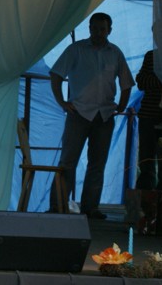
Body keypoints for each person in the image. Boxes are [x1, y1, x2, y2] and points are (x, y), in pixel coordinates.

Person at [49, 12, 134, 219]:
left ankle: (90, 208)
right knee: (68, 162)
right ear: (89, 29)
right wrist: (62, 102)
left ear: (109, 30)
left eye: (102, 29)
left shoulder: (115, 52)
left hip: (104, 115)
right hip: (78, 112)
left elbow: (126, 82)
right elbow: (56, 74)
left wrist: (122, 106)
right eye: (94, 28)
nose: (98, 32)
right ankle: (58, 206)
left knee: (97, 164)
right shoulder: (76, 49)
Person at [134, 49, 162, 190]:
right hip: (148, 114)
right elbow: (141, 82)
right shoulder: (151, 55)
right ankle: (146, 197)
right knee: (146, 161)